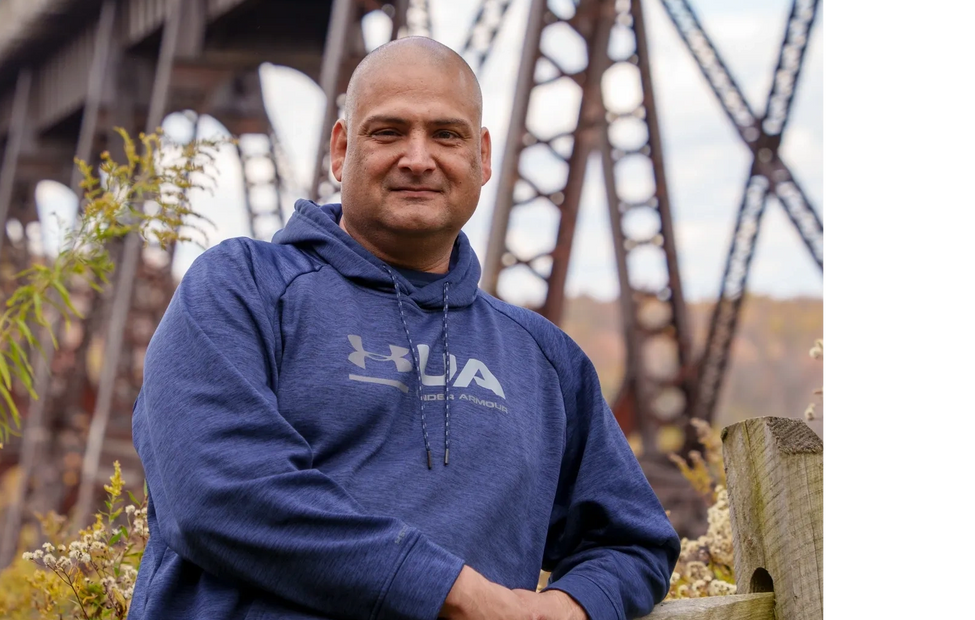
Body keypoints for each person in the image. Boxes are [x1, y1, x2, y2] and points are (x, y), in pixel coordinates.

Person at [128, 36, 680, 620]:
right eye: (388, 132)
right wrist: (459, 594)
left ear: (483, 157)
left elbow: (633, 540)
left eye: (447, 134)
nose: (418, 158)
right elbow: (219, 494)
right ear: (341, 151)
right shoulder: (242, 287)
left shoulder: (542, 356)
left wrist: (570, 609)